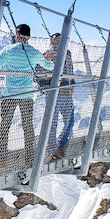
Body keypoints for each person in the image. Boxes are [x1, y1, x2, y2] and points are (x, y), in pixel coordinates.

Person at [0, 23, 53, 167]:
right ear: (29, 37)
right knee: (28, 126)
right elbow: (49, 66)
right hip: (26, 94)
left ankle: (2, 158)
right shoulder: (34, 52)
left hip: (9, 94)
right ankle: (29, 159)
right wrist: (50, 59)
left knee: (4, 126)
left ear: (16, 35)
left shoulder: (8, 50)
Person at [44, 32, 75, 160]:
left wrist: (73, 83)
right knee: (53, 122)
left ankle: (60, 144)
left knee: (70, 120)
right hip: (54, 93)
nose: (55, 44)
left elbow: (70, 69)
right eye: (53, 42)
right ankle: (51, 150)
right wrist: (46, 60)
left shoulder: (67, 53)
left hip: (67, 92)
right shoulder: (46, 54)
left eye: (58, 42)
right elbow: (40, 71)